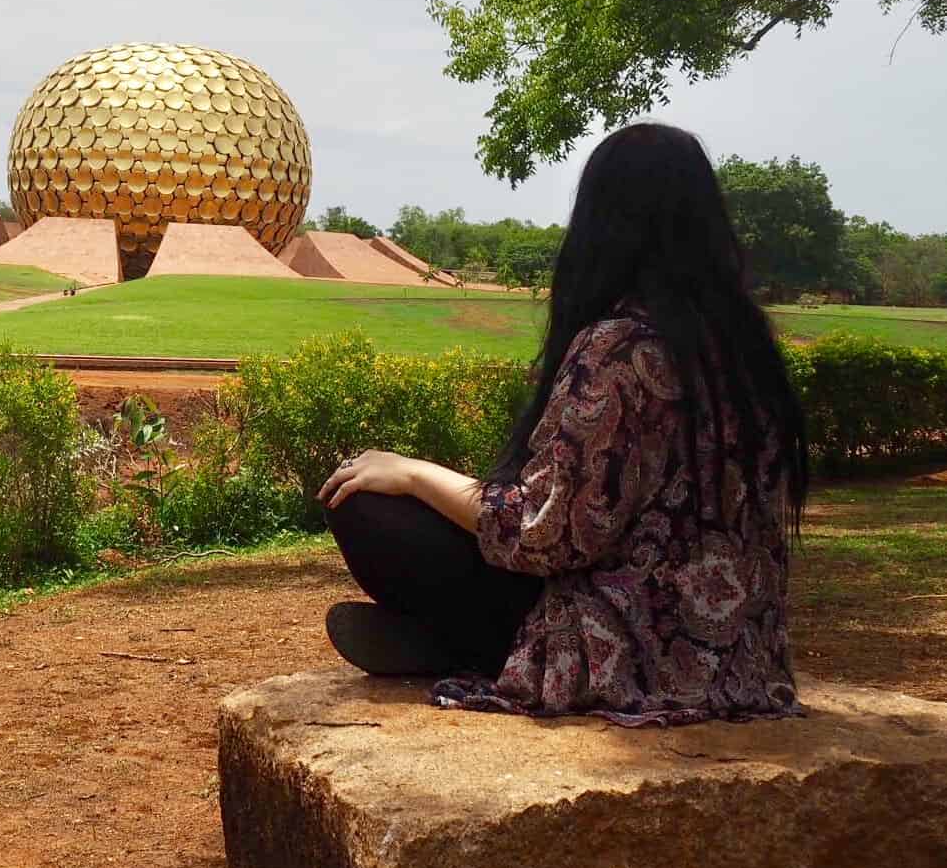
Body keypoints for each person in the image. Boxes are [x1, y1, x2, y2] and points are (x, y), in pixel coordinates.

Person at [317, 123, 808, 726]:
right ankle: (444, 636)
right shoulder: (744, 354)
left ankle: (465, 644)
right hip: (739, 656)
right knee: (432, 503)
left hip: (626, 652)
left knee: (361, 503)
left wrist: (414, 474)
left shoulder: (619, 347)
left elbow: (547, 534)